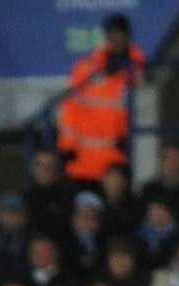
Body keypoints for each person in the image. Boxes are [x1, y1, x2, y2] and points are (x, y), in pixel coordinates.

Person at [55, 15, 144, 185]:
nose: (115, 40)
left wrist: (126, 136)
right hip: (82, 162)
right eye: (111, 35)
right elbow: (70, 108)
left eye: (120, 35)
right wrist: (67, 146)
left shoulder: (138, 71)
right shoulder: (86, 68)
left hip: (118, 164)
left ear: (128, 37)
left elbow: (140, 110)